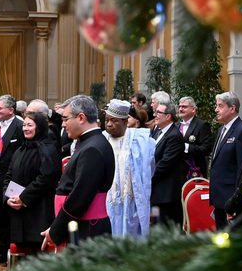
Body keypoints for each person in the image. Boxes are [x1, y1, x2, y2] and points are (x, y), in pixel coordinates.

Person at [46, 95, 115, 247]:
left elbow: (80, 197)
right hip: (82, 225)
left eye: (65, 119)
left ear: (81, 118)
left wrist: (56, 230)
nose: (63, 125)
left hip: (87, 229)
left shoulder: (92, 148)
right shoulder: (89, 143)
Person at [4, 111, 59, 254]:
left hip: (38, 212)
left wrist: (23, 198)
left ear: (39, 127)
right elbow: (9, 175)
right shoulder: (21, 149)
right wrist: (8, 198)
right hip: (18, 211)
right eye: (24, 125)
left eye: (30, 125)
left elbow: (46, 178)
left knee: (38, 258)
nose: (25, 128)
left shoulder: (48, 149)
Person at [102, 99, 154, 238]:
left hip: (132, 203)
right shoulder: (101, 140)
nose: (109, 124)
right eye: (107, 120)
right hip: (106, 201)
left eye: (114, 121)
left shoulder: (141, 141)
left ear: (125, 122)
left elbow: (149, 170)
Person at [0, 94, 24, 264]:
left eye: (0, 108)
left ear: (11, 110)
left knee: (12, 217)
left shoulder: (20, 126)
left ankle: (16, 252)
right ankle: (2, 251)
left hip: (14, 181)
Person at [208, 91, 242, 229]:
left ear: (232, 109)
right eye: (216, 105)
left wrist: (237, 201)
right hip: (218, 197)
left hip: (230, 198)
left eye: (220, 106)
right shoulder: (221, 129)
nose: (216, 109)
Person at [149, 99, 186, 228]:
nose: (155, 115)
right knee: (155, 225)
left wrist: (147, 175)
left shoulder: (174, 136)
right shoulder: (158, 132)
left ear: (168, 116)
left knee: (165, 227)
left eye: (158, 112)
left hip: (166, 195)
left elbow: (165, 163)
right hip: (156, 192)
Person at [176, 96, 213, 178]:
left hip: (195, 171)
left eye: (184, 107)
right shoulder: (176, 125)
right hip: (177, 172)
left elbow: (206, 149)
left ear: (193, 109)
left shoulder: (202, 125)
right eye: (180, 106)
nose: (181, 109)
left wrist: (186, 147)